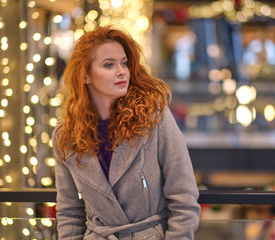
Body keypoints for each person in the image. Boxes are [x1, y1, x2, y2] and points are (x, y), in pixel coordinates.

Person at [53, 25, 200, 240]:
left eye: (123, 63)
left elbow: (184, 199)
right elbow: (69, 213)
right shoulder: (66, 137)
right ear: (85, 75)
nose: (121, 71)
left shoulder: (154, 118)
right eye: (108, 65)